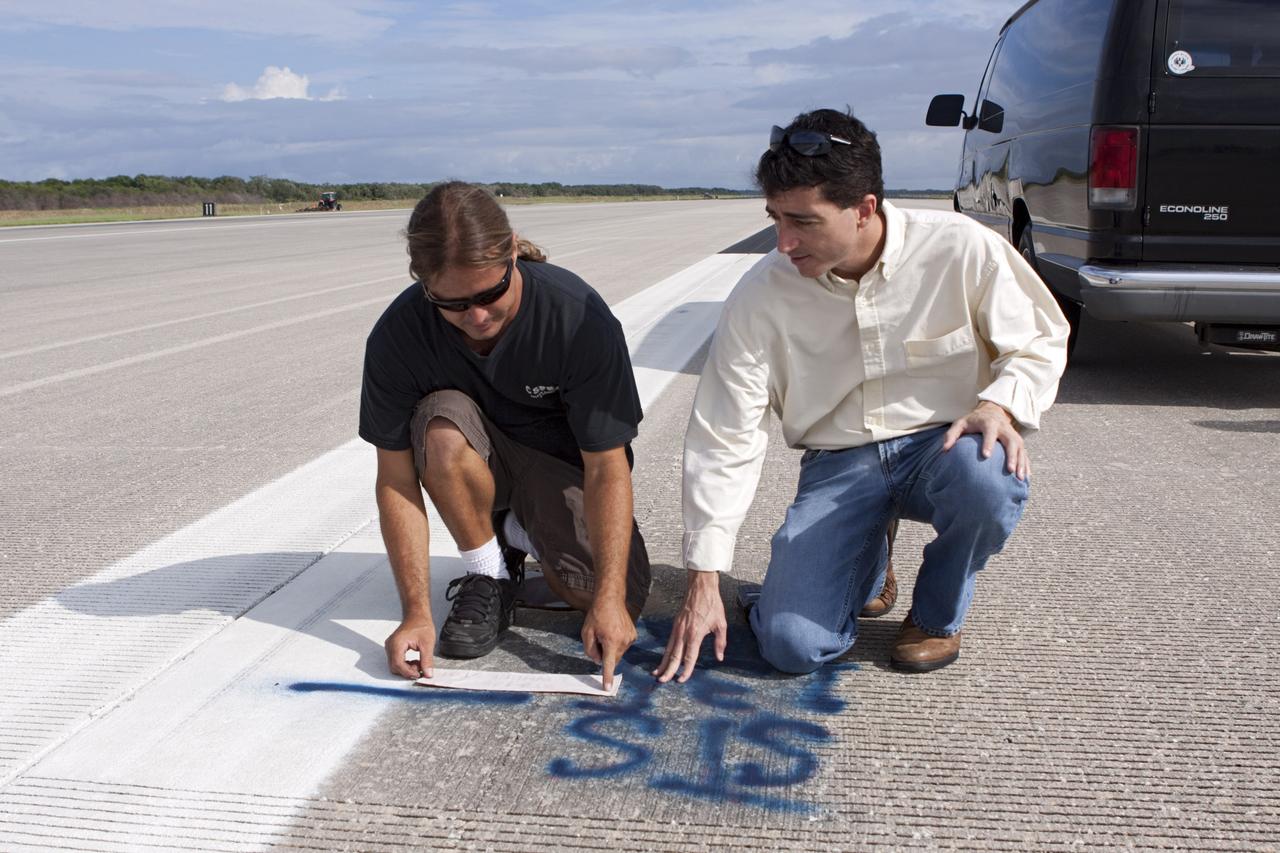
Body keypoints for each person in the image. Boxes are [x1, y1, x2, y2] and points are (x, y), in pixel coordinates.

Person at [655, 109, 1069, 681]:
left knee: (990, 475)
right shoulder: (761, 295)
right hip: (840, 462)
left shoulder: (960, 248)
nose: (783, 241)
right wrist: (705, 577)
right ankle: (868, 565)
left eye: (802, 221)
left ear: (864, 209)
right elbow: (725, 433)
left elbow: (1041, 339)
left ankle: (935, 617)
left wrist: (999, 403)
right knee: (791, 647)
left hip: (942, 446)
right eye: (775, 218)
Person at [360, 181, 650, 690]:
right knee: (442, 427)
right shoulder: (398, 334)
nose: (476, 317)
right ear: (423, 283)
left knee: (615, 597)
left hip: (558, 467)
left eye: (491, 294)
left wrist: (606, 598)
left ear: (513, 251)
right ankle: (488, 571)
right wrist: (415, 612)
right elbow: (395, 480)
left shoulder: (576, 316)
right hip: (471, 454)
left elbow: (608, 466)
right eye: (452, 304)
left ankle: (515, 531)